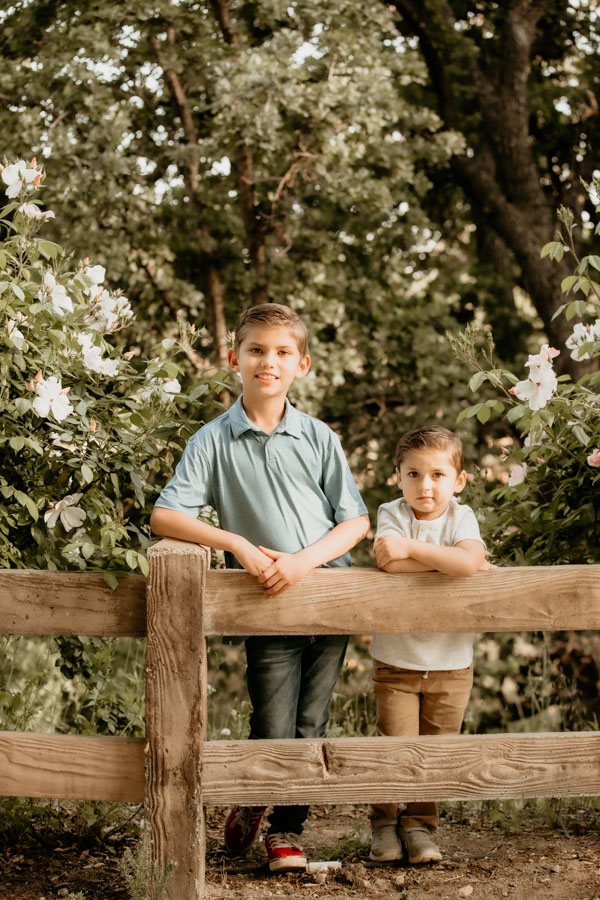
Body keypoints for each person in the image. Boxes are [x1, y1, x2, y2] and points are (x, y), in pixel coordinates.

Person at [150, 303, 369, 873]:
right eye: (256, 351)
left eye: (281, 352)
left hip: (326, 599)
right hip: (265, 604)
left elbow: (354, 521)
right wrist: (238, 545)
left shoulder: (319, 438)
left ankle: (285, 832)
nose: (268, 362)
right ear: (234, 359)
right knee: (273, 721)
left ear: (302, 364)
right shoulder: (213, 441)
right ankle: (253, 790)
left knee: (311, 723)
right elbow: (166, 515)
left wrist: (303, 563)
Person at [369, 425, 487, 866]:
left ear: (458, 480)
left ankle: (420, 825)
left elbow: (469, 562)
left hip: (452, 663)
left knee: (436, 751)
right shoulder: (392, 513)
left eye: (438, 474)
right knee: (395, 746)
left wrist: (417, 553)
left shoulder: (462, 516)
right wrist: (450, 563)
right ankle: (384, 822)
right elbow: (389, 563)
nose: (425, 485)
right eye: (414, 474)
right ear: (398, 477)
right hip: (397, 660)